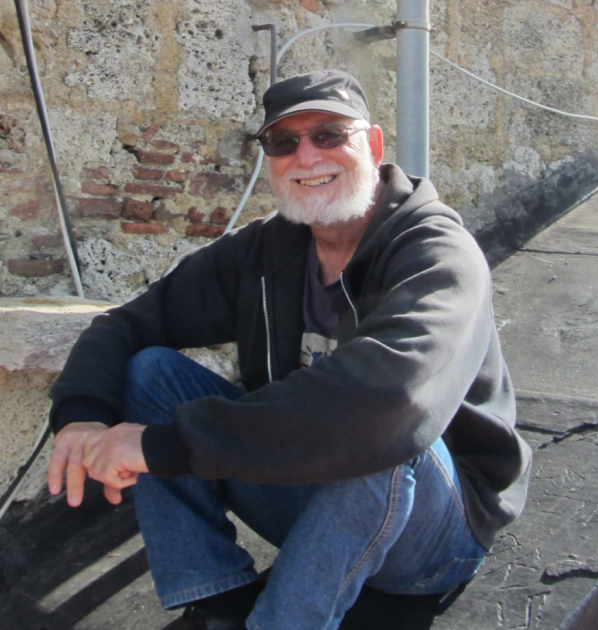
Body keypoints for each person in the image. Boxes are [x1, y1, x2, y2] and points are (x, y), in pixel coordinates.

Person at [47, 69, 532, 630]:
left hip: (432, 534)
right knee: (151, 372)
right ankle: (218, 599)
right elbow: (127, 323)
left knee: (376, 432)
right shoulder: (265, 250)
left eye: (328, 134)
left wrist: (164, 445)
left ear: (373, 146)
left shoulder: (437, 253)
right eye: (284, 142)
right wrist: (81, 417)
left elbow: (389, 401)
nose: (306, 156)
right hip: (309, 493)